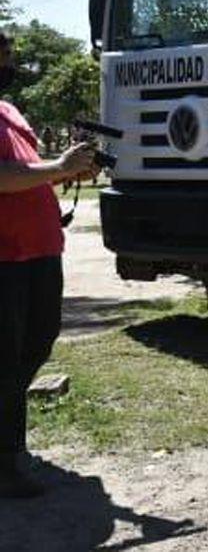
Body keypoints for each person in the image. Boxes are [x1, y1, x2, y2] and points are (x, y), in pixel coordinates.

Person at [0, 29, 99, 497]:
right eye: (3, 56)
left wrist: (70, 169)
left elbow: (30, 175)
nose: (10, 63)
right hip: (5, 257)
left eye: (9, 55)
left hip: (40, 250)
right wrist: (59, 167)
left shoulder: (9, 112)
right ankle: (7, 462)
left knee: (37, 342)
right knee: (6, 358)